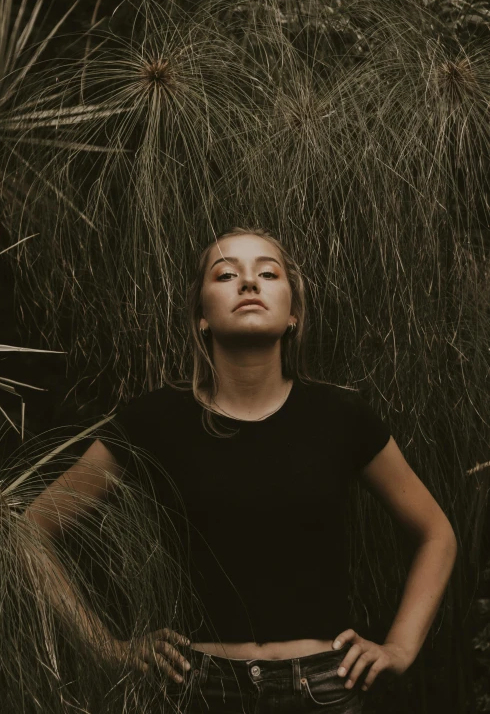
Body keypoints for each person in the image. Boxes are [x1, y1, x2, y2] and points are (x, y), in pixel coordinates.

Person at [25, 226, 458, 713]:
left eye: (268, 273)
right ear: (201, 317)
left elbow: (435, 533)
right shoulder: (153, 420)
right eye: (226, 274)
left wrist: (400, 647)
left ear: (293, 314)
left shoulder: (342, 416)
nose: (249, 283)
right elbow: (32, 530)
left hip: (323, 690)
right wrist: (107, 647)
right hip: (196, 690)